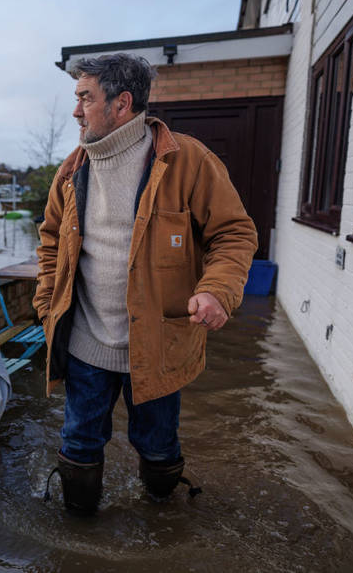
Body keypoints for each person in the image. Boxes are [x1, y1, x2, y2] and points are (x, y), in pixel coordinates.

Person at [34, 53, 258, 516]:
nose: (76, 111)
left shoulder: (188, 161)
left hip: (157, 346)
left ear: (122, 103)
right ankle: (79, 528)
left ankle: (162, 523)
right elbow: (50, 242)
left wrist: (216, 290)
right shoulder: (71, 171)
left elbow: (234, 233)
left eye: (85, 98)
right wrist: (45, 306)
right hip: (86, 346)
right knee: (78, 446)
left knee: (158, 448)